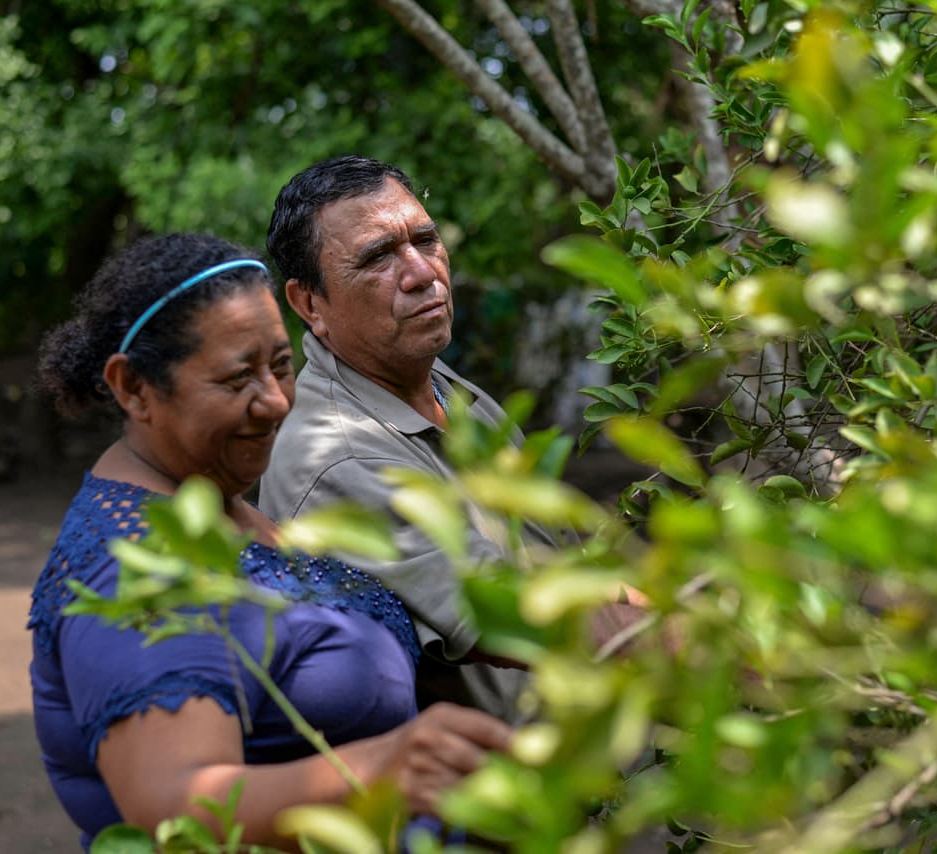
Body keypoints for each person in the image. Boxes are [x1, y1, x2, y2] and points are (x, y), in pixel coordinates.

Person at [29, 232, 511, 851]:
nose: (277, 400)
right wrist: (378, 769)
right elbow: (176, 805)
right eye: (237, 380)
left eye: (281, 366)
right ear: (134, 388)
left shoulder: (215, 504)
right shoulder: (137, 566)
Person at [258, 156, 557, 723]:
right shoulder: (332, 455)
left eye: (426, 239)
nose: (423, 273)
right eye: (376, 257)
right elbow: (520, 619)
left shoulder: (446, 389)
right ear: (309, 304)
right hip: (493, 798)